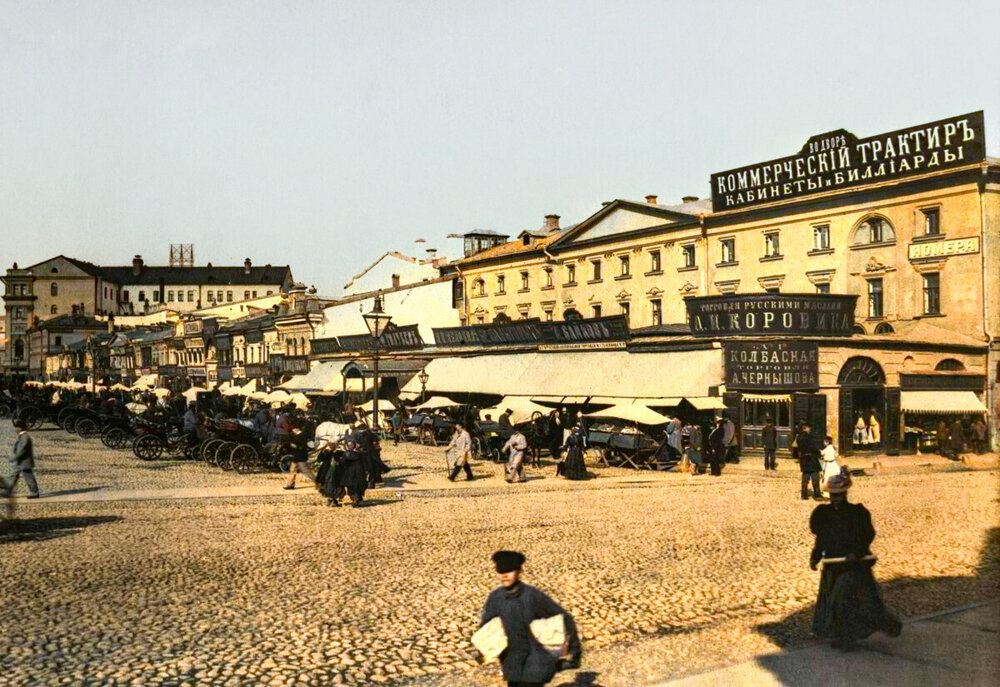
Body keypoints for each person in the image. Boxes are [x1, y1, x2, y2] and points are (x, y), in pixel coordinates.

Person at [809, 471, 902, 651]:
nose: (835, 499)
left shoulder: (856, 513)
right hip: (833, 565)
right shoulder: (823, 514)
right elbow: (821, 538)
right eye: (833, 495)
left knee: (842, 600)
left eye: (839, 495)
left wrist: (856, 553)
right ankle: (843, 636)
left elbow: (867, 534)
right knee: (839, 603)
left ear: (845, 494)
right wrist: (815, 556)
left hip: (853, 566)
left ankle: (849, 638)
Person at [479, 551, 581, 686]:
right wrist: (482, 649)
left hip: (536, 661)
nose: (505, 576)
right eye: (502, 572)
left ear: (519, 571)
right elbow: (485, 627)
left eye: (510, 571)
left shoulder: (532, 596)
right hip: (512, 662)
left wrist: (574, 652)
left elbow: (563, 617)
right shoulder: (495, 598)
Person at [2, 419, 40, 499]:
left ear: (20, 428)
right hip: (21, 461)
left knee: (29, 477)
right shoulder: (22, 436)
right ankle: (8, 491)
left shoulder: (25, 437)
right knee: (13, 476)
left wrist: (14, 457)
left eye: (16, 428)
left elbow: (22, 450)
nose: (15, 430)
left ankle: (34, 492)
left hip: (25, 462)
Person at [798, 422, 822, 500]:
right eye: (809, 427)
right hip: (811, 458)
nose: (810, 429)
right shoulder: (808, 437)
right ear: (805, 428)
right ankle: (817, 494)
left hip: (803, 458)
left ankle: (804, 494)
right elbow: (812, 447)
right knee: (815, 476)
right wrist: (819, 452)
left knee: (805, 477)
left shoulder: (798, 437)